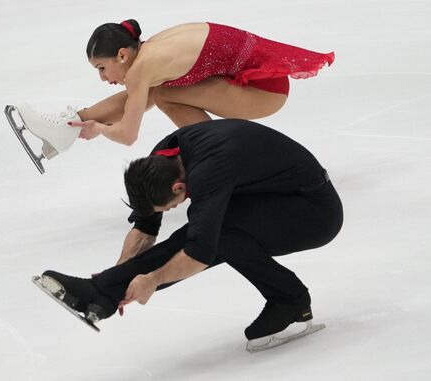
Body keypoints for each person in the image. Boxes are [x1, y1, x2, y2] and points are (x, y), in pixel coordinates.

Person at [39, 118, 343, 345]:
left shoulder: (209, 172)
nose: (169, 211)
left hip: (313, 212)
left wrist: (152, 279)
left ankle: (290, 299)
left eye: (169, 206)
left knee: (217, 236)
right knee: (211, 232)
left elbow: (199, 253)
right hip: (268, 197)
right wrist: (121, 276)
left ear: (179, 187)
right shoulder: (161, 159)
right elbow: (145, 228)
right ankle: (102, 290)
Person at [14, 20, 334, 160]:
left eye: (102, 68)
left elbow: (128, 135)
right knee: (160, 91)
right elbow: (135, 103)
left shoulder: (143, 69)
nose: (102, 77)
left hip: (263, 91)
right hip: (261, 83)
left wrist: (97, 128)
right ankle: (66, 127)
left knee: (163, 93)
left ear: (122, 55)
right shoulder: (150, 53)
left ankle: (220, 161)